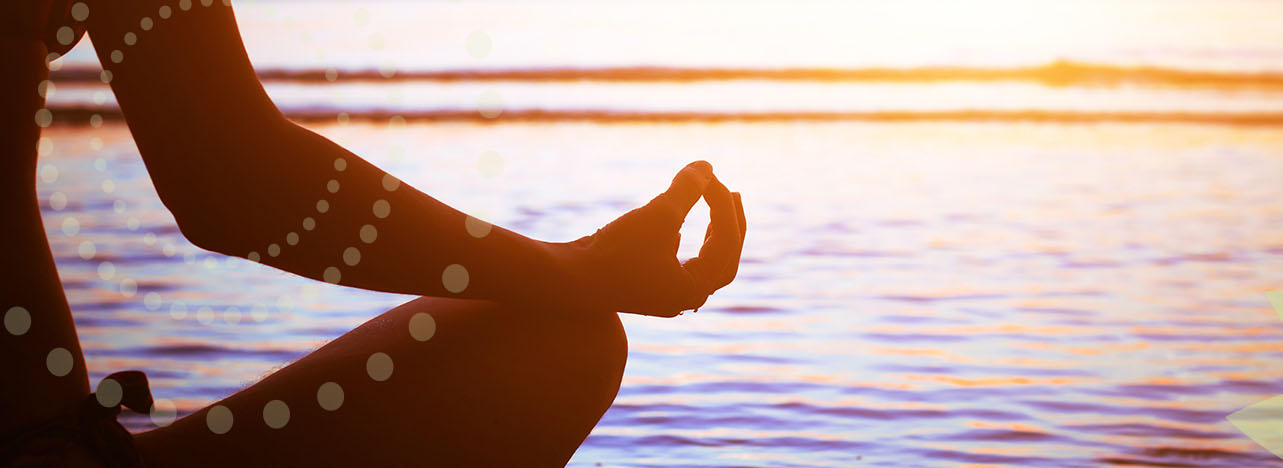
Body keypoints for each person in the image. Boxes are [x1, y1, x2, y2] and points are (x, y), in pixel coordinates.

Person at [1, 0, 747, 465]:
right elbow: (231, 186)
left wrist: (580, 270)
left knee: (555, 352)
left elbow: (227, 178)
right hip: (39, 448)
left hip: (61, 440)